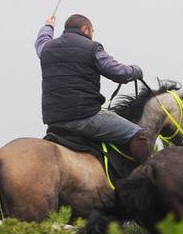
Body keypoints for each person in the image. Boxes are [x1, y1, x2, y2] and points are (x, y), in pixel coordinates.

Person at [35, 13, 151, 163]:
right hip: (85, 117)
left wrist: (48, 26)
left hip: (54, 121)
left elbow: (40, 42)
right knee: (138, 134)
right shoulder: (92, 48)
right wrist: (136, 70)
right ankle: (144, 182)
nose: (92, 35)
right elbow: (118, 73)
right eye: (92, 31)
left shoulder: (47, 48)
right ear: (85, 29)